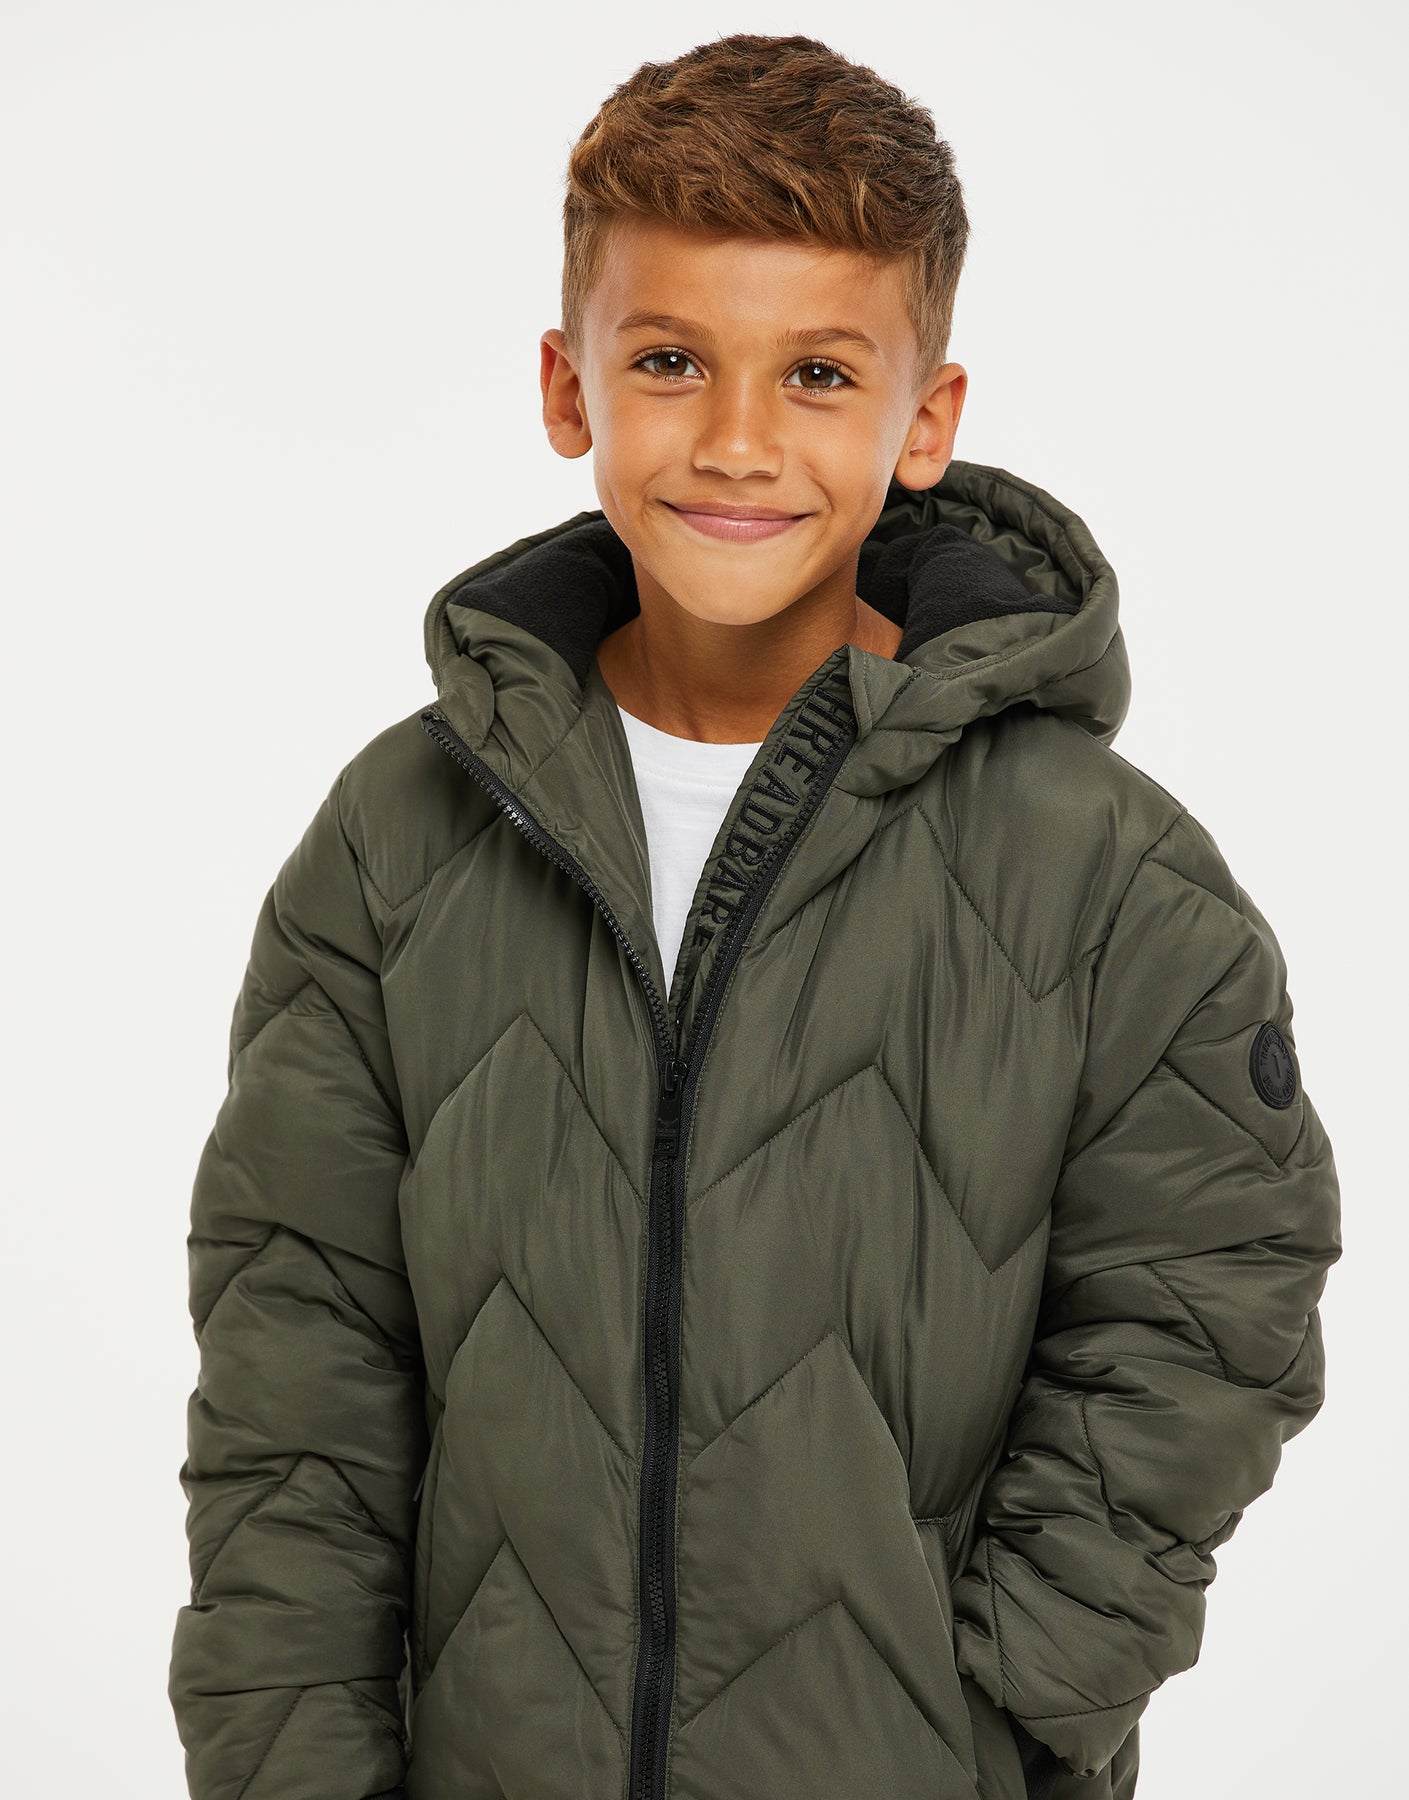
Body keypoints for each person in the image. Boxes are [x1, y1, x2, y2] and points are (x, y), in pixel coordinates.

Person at [166, 31, 1342, 1800]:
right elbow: (295, 1367)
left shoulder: (1100, 871)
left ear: (924, 420)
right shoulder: (396, 845)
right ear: (567, 386)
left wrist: (1006, 1707)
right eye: (668, 360)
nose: (734, 441)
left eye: (816, 373)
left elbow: (1211, 1296)